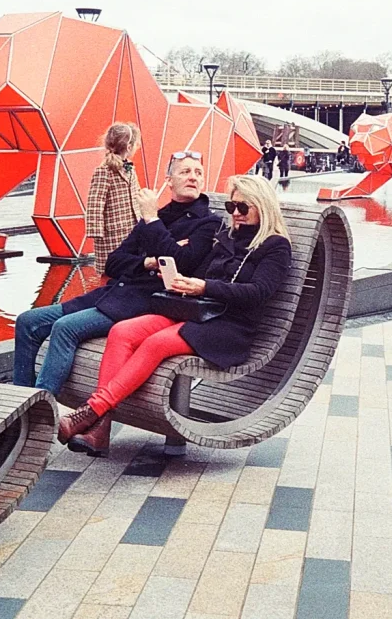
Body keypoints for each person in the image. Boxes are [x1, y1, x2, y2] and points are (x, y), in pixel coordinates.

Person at [58, 174, 293, 456]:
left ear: (263, 206)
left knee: (156, 344)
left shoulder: (275, 246)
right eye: (232, 208)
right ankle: (101, 428)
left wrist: (205, 287)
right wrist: (178, 277)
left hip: (230, 327)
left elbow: (257, 293)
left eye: (243, 208)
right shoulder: (226, 237)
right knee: (122, 332)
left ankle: (89, 413)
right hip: (196, 310)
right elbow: (199, 273)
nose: (236, 214)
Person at [15, 151, 219, 400]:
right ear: (169, 179)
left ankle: (38, 412)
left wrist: (152, 221)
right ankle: (20, 401)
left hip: (143, 304)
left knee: (64, 328)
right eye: (185, 172)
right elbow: (113, 262)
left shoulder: (207, 223)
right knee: (27, 322)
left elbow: (182, 264)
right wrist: (148, 262)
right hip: (112, 295)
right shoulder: (158, 216)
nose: (193, 178)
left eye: (198, 173)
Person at [85, 122, 142, 274]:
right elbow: (95, 202)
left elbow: (136, 195)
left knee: (129, 266)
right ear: (129, 147)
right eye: (135, 144)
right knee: (111, 269)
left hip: (131, 228)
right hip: (112, 233)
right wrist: (96, 232)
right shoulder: (104, 171)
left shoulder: (129, 168)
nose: (137, 147)